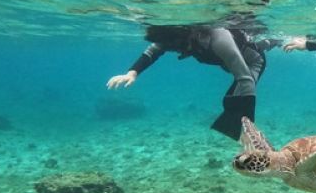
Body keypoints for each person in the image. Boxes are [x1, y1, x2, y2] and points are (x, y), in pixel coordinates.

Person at [107, 24, 275, 140]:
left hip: (252, 62)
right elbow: (154, 50)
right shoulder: (176, 38)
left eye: (179, 48)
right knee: (233, 106)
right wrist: (132, 72)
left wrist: (246, 130)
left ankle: (270, 42)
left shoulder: (218, 38)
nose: (179, 52)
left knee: (232, 104)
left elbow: (245, 79)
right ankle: (267, 43)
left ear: (191, 36)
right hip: (226, 62)